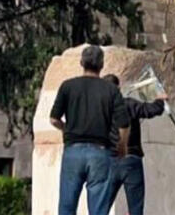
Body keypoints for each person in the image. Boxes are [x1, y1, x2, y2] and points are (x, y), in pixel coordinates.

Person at [50, 45, 130, 215]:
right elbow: (124, 124)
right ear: (102, 65)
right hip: (100, 153)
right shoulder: (111, 90)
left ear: (81, 63)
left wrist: (66, 129)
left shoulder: (67, 86)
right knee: (99, 210)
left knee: (67, 207)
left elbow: (54, 119)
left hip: (73, 152)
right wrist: (122, 146)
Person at [102, 73, 168, 215]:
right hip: (131, 160)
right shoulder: (128, 104)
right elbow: (153, 110)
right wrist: (160, 99)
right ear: (118, 88)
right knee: (135, 209)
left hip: (109, 162)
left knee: (100, 207)